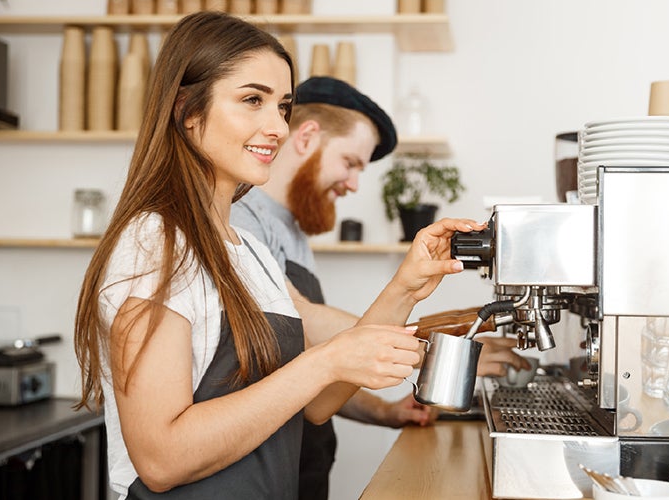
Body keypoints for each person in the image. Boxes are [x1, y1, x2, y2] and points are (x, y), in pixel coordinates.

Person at [73, 12, 486, 500]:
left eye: (282, 107)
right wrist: (325, 361)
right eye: (252, 100)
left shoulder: (247, 251)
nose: (277, 127)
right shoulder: (155, 244)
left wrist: (405, 287)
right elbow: (162, 459)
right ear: (186, 109)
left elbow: (315, 405)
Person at [231, 76, 530, 499]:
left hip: (301, 465)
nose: (354, 184)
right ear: (308, 136)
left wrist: (385, 412)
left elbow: (310, 365)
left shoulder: (291, 229)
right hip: (257, 470)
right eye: (351, 162)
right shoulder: (240, 219)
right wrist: (435, 353)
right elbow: (306, 322)